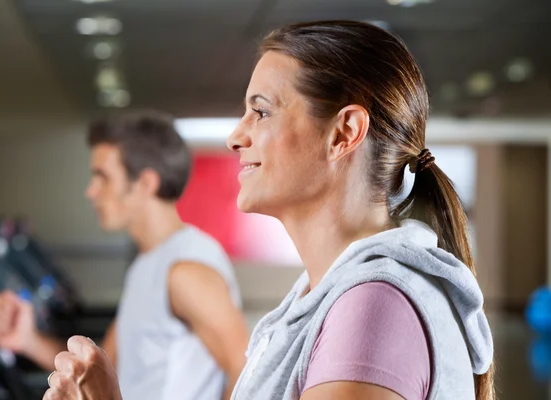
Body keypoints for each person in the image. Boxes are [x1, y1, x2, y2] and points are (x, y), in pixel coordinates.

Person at [42, 20, 495, 400]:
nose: (235, 137)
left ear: (344, 133)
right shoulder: (321, 299)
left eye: (260, 112)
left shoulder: (373, 309)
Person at [0, 110, 249, 400]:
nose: (91, 191)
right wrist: (28, 340)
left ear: (146, 183)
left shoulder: (186, 270)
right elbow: (99, 366)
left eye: (103, 177)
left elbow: (246, 370)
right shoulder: (147, 264)